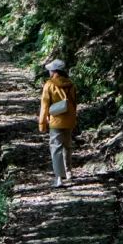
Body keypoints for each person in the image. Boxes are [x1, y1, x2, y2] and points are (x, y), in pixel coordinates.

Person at [37, 58, 78, 187]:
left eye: (50, 70)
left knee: (56, 148)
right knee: (67, 145)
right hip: (69, 119)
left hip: (56, 120)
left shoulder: (49, 85)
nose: (49, 72)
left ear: (54, 72)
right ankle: (69, 171)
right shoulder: (71, 84)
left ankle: (59, 178)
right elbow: (74, 102)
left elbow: (44, 106)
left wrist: (42, 124)